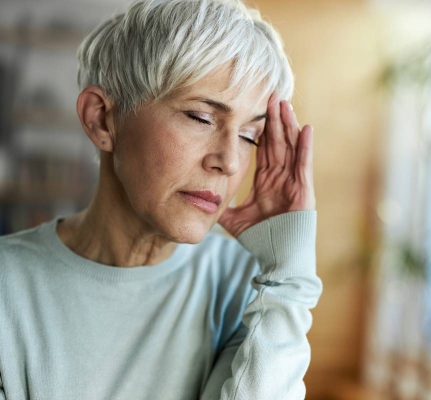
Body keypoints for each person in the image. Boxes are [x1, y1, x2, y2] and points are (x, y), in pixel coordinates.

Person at [0, 0, 323, 399]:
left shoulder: (251, 288)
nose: (228, 161)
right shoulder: (7, 288)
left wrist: (289, 280)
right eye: (201, 118)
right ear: (102, 119)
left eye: (248, 136)